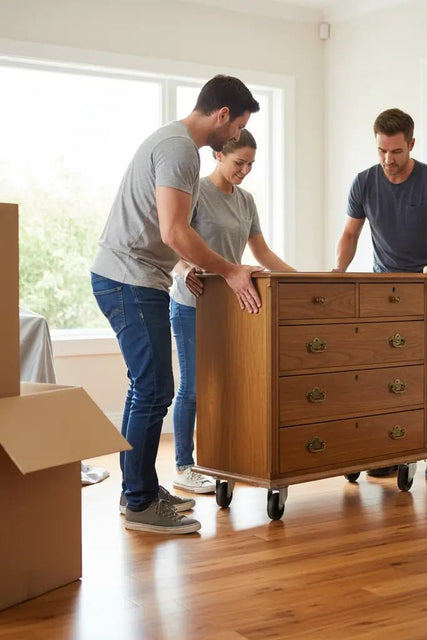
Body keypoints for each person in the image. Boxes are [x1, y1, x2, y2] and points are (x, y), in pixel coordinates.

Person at [91, 75, 261, 534]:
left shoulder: (174, 142)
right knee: (154, 389)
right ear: (222, 115)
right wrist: (230, 269)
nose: (233, 137)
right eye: (236, 128)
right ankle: (140, 503)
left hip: (131, 276)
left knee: (144, 387)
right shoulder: (180, 148)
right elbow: (174, 232)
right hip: (128, 277)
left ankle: (140, 489)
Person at [333, 108, 427, 480]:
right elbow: (350, 234)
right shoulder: (363, 182)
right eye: (382, 152)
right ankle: (387, 449)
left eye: (397, 152)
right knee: (382, 373)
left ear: (412, 145)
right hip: (382, 291)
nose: (389, 160)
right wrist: (339, 271)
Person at [170, 129, 295, 494]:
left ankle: (226, 458)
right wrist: (185, 270)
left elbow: (262, 254)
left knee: (233, 384)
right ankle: (184, 465)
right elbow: (172, 241)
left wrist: (303, 278)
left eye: (251, 164)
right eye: (239, 162)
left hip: (233, 306)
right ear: (217, 156)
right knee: (194, 386)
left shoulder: (246, 201)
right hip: (192, 302)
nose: (245, 170)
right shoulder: (194, 192)